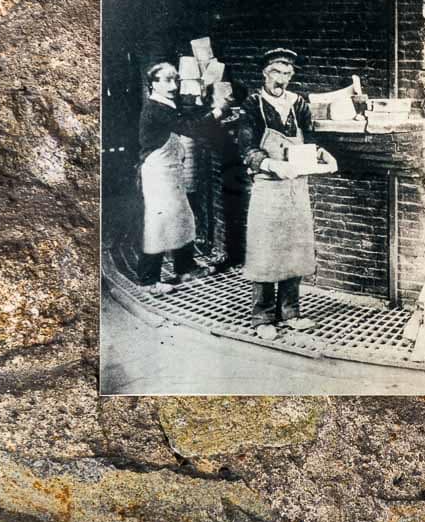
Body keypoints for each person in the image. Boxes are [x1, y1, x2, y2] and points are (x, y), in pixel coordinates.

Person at [237, 48, 341, 338]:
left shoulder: (299, 104)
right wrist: (270, 164)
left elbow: (311, 139)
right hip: (269, 186)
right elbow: (246, 148)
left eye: (286, 73)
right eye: (275, 73)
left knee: (295, 249)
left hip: (296, 186)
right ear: (264, 73)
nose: (281, 79)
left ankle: (291, 313)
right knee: (265, 251)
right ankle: (262, 318)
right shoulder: (252, 105)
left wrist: (322, 154)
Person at [136, 61, 228, 295]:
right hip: (158, 173)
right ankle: (148, 280)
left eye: (175, 79)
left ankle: (185, 267)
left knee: (183, 218)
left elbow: (187, 116)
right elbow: (190, 128)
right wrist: (218, 111)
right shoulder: (156, 108)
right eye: (167, 80)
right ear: (153, 83)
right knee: (158, 223)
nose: (173, 85)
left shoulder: (166, 104)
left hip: (170, 171)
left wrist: (207, 106)